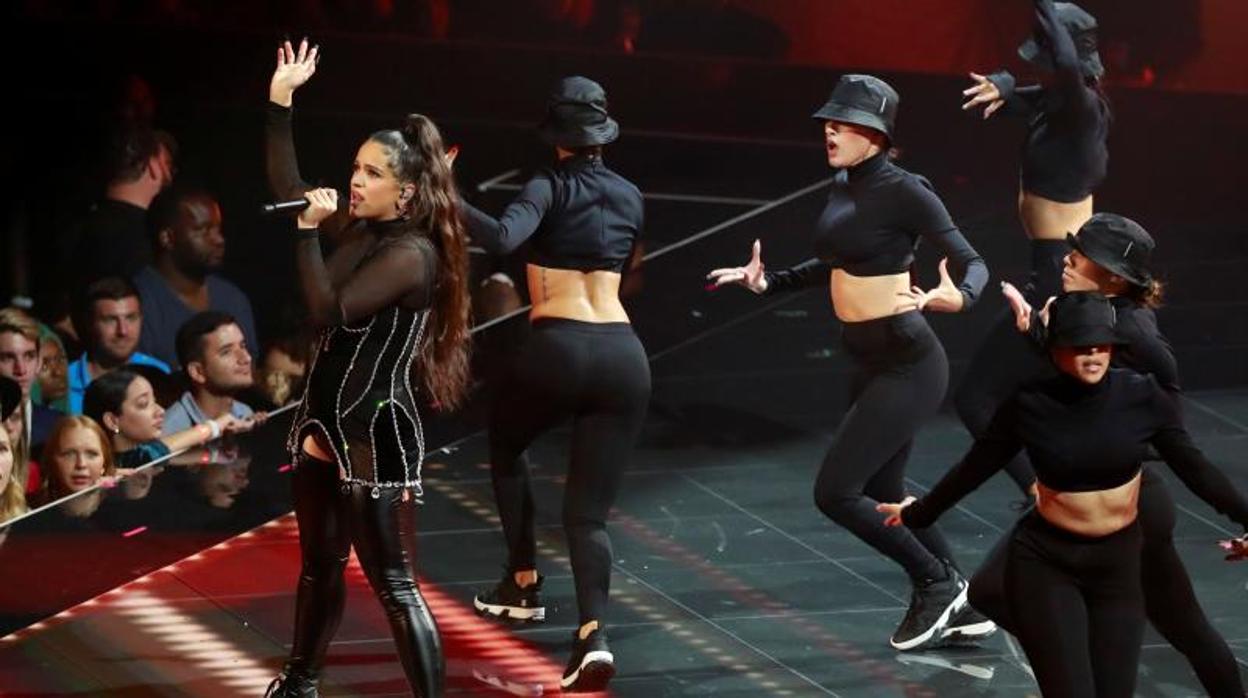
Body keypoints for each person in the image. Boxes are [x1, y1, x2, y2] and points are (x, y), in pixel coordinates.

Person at [707, 74, 992, 651]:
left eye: (847, 124)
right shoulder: (844, 184)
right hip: (868, 359)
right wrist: (769, 283)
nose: (831, 131)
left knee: (836, 492)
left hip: (908, 360)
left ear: (879, 136)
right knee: (885, 489)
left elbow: (974, 262)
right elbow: (833, 264)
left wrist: (959, 297)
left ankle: (936, 585)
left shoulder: (907, 190)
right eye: (829, 123)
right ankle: (963, 601)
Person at [879, 292, 1248, 697]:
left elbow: (1196, 469)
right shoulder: (1029, 403)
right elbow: (974, 468)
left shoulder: (1142, 396)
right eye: (1079, 347)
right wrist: (918, 514)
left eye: (1101, 347)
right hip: (1047, 562)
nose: (1092, 356)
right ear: (1055, 350)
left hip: (1118, 563)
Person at [265, 38, 472, 697]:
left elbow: (329, 309)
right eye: (356, 167)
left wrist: (305, 233)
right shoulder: (359, 232)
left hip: (373, 431)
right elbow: (289, 189)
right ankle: (300, 683)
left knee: (394, 584)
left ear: (407, 194)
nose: (355, 181)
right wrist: (280, 101)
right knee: (317, 567)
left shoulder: (411, 256)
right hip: (322, 421)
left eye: (373, 173)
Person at [976, 214, 1244, 696]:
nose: (1066, 262)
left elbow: (1161, 414)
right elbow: (1086, 388)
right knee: (1187, 628)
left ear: (1113, 277)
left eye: (1078, 257)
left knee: (994, 589)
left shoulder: (1132, 332)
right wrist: (1036, 339)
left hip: (1128, 500)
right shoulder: (1097, 317)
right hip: (1118, 495)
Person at [461, 75, 650, 692]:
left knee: (506, 444)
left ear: (557, 137)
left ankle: (521, 579)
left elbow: (502, 238)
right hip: (624, 357)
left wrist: (445, 193)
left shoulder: (545, 184)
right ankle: (593, 634)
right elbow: (628, 271)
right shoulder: (629, 194)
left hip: (560, 346)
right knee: (587, 517)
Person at [955, 0, 1111, 498]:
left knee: (977, 400)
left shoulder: (1082, 112)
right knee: (1044, 398)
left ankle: (1043, 493)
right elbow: (1027, 96)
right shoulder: (1061, 106)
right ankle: (1062, 491)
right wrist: (1002, 83)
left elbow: (1063, 68)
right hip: (1055, 272)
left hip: (1056, 279)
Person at [133, 187, 259, 369]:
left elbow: (250, 370)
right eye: (203, 230)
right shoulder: (139, 303)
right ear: (168, 238)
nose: (219, 239)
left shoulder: (232, 298)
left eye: (218, 229)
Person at [81, 369, 247, 469]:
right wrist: (216, 425)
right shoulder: (106, 467)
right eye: (143, 404)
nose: (160, 411)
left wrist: (213, 457)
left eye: (155, 401)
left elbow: (165, 458)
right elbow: (153, 453)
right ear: (112, 421)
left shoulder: (147, 459)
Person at [66, 276, 171, 415]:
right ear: (89, 324)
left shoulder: (159, 372)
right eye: (110, 320)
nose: (123, 331)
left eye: (131, 318)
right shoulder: (64, 382)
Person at [161, 311, 265, 434]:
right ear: (198, 372)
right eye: (226, 352)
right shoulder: (171, 430)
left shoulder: (244, 412)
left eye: (242, 346)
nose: (246, 358)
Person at [0, 307, 63, 452]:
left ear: (39, 362)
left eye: (29, 356)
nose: (21, 369)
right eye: (8, 357)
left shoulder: (58, 426)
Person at [32, 415, 117, 507]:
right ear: (52, 460)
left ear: (104, 462)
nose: (81, 464)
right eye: (69, 454)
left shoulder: (121, 506)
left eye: (91, 454)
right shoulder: (29, 511)